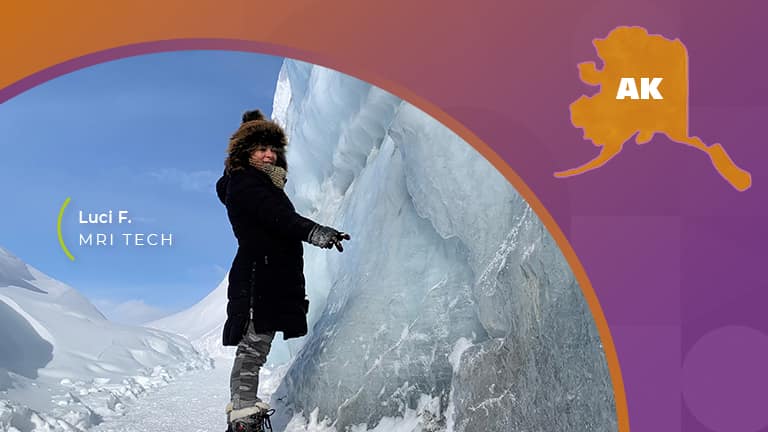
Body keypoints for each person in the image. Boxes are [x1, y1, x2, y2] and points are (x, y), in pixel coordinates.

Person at [216, 109, 350, 432]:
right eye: (261, 148)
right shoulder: (245, 182)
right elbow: (278, 218)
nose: (269, 154)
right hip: (257, 279)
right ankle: (243, 421)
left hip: (267, 277)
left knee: (257, 347)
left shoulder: (260, 184)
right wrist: (315, 232)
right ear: (246, 152)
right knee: (253, 348)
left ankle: (243, 416)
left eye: (273, 149)